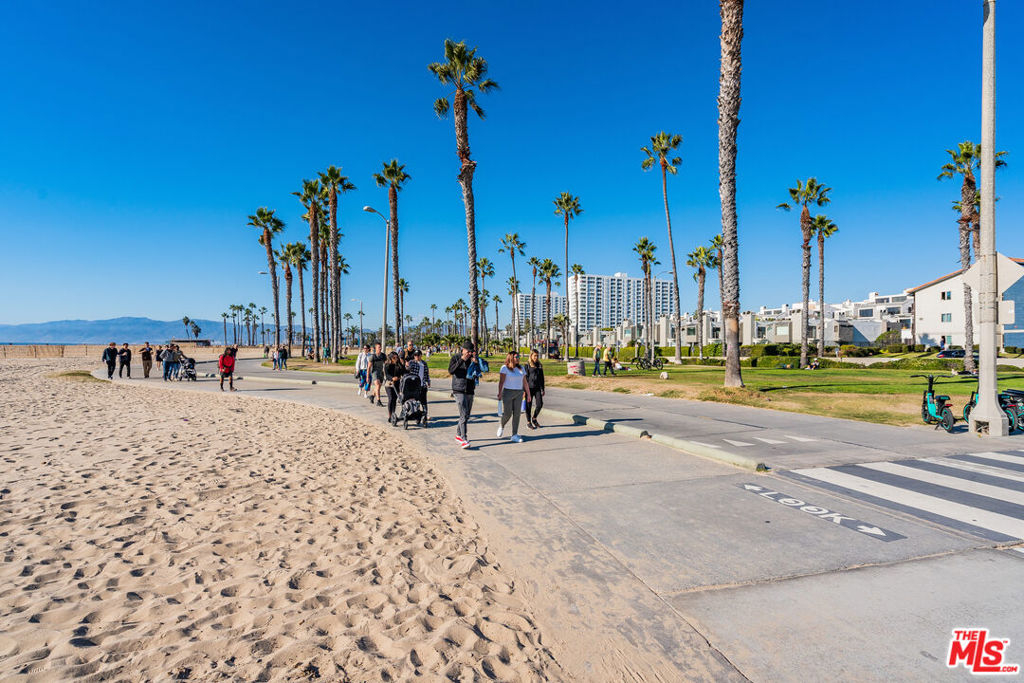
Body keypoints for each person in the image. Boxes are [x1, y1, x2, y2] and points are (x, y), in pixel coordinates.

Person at [449, 341, 479, 449]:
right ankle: (464, 438)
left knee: (467, 415)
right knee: (463, 413)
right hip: (459, 389)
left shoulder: (472, 359)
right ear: (463, 350)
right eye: (468, 351)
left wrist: (476, 363)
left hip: (470, 389)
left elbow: (480, 372)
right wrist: (462, 360)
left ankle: (458, 434)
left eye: (471, 352)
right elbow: (451, 370)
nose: (470, 353)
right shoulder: (456, 358)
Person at [497, 352, 530, 443]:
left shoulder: (521, 368)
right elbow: (501, 382)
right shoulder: (504, 368)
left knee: (517, 414)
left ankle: (514, 435)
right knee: (507, 414)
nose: (518, 358)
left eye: (518, 356)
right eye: (516, 357)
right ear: (511, 358)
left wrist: (528, 393)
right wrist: (499, 393)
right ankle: (502, 425)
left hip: (519, 393)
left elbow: (525, 382)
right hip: (508, 392)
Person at [406, 349, 431, 425]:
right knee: (416, 402)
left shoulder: (424, 363)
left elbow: (426, 373)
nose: (416, 357)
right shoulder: (412, 362)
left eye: (417, 355)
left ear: (421, 356)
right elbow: (408, 369)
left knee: (424, 402)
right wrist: (407, 365)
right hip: (414, 386)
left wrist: (428, 381)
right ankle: (417, 417)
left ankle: (425, 416)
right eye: (415, 355)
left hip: (422, 385)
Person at [383, 351, 407, 422]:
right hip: (389, 384)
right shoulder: (387, 365)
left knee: (395, 399)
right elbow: (387, 375)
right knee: (391, 398)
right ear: (390, 358)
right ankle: (390, 415)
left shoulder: (399, 364)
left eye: (397, 357)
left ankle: (393, 414)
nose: (396, 359)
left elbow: (404, 372)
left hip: (397, 384)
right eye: (394, 358)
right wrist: (392, 378)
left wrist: (405, 367)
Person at [525, 349, 545, 429]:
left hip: (537, 388)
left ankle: (534, 418)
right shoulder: (527, 365)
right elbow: (525, 378)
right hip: (529, 389)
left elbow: (542, 378)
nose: (536, 357)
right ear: (531, 356)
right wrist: (524, 390)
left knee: (540, 404)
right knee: (528, 406)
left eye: (537, 356)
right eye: (535, 356)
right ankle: (528, 422)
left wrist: (543, 389)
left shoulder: (539, 365)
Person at [369, 342, 386, 407]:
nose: (380, 348)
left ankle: (372, 396)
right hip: (375, 372)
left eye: (380, 347)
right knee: (378, 386)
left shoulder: (383, 356)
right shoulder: (372, 356)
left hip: (381, 373)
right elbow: (369, 367)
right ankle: (378, 401)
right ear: (375, 348)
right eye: (379, 347)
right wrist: (367, 376)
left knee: (378, 387)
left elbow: (386, 364)